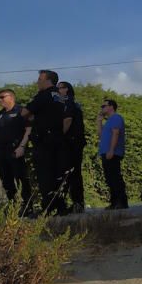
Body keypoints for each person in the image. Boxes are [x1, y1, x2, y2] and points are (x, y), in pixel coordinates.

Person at [20, 70, 68, 215]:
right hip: (58, 139)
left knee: (45, 175)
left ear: (48, 81)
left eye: (40, 79)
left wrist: (34, 116)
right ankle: (60, 207)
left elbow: (24, 113)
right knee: (57, 174)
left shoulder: (43, 95)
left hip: (44, 141)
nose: (37, 82)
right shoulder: (59, 96)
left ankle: (47, 208)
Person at [0, 89, 34, 215]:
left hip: (15, 150)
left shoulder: (21, 111)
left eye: (2, 97)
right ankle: (13, 205)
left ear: (11, 97)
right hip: (1, 152)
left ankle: (27, 206)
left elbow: (29, 130)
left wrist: (22, 146)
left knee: (21, 178)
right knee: (6, 180)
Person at [57, 81, 86, 213]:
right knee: (73, 174)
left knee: (72, 173)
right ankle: (76, 203)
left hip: (72, 143)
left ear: (66, 90)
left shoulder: (68, 102)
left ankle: (77, 203)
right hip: (75, 142)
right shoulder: (73, 103)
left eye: (59, 88)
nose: (57, 90)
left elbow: (67, 120)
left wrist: (59, 136)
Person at [97, 98, 127, 209]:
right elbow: (100, 135)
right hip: (106, 152)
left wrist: (111, 150)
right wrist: (99, 121)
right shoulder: (108, 121)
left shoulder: (116, 118)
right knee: (109, 178)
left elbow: (116, 134)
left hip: (112, 153)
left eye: (103, 106)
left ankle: (122, 202)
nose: (102, 108)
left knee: (115, 178)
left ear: (111, 107)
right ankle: (114, 203)